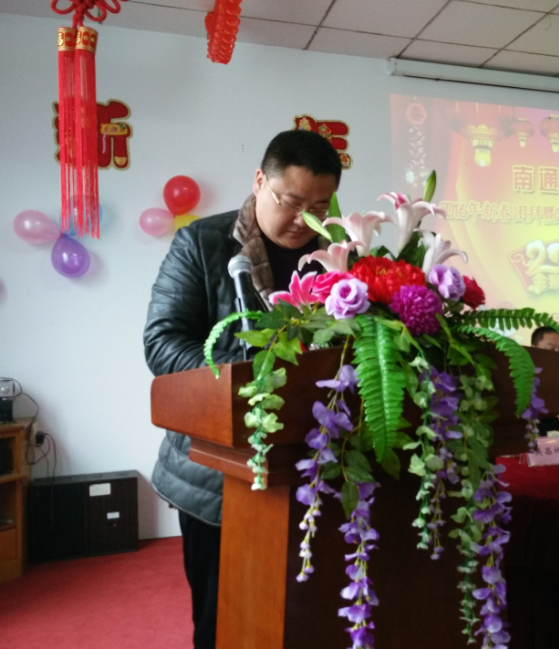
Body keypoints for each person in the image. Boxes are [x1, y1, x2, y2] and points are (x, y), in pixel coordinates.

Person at [143, 130, 342, 649]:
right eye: (290, 202)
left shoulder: (338, 257)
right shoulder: (203, 243)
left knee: (307, 619)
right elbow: (162, 344)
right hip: (218, 476)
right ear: (259, 182)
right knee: (224, 620)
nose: (302, 220)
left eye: (318, 208)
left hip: (313, 468)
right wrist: (251, 379)